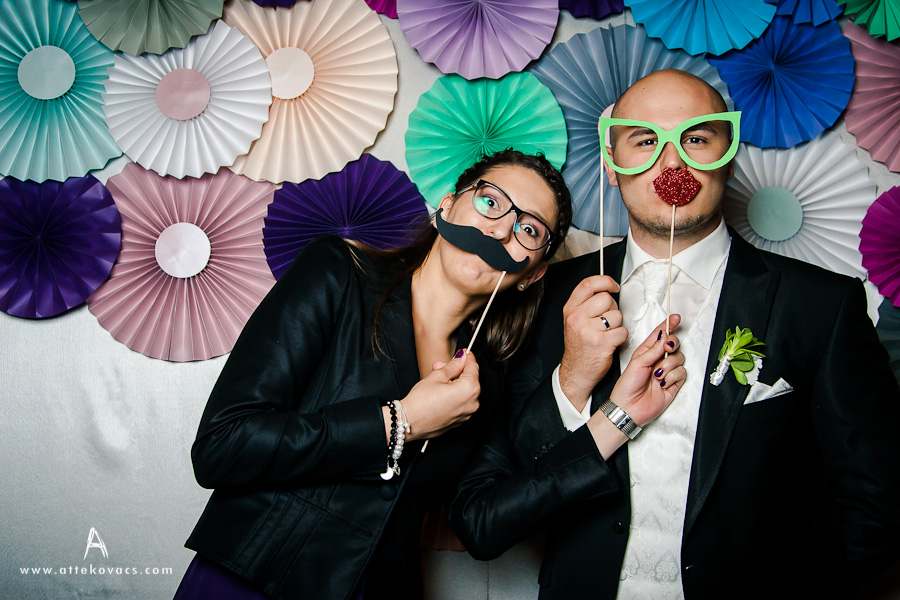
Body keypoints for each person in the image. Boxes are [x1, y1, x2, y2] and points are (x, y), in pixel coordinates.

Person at [448, 70, 900, 599]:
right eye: (645, 140)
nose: (672, 164)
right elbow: (492, 505)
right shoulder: (545, 295)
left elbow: (881, 502)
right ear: (611, 164)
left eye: (696, 139)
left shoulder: (820, 305)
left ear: (728, 155)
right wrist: (572, 378)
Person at [171, 149, 580, 600]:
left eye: (528, 229)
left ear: (531, 275)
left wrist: (608, 414)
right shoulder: (338, 272)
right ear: (447, 206)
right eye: (490, 202)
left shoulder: (484, 383)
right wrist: (400, 421)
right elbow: (222, 446)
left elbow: (482, 524)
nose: (500, 229)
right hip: (253, 578)